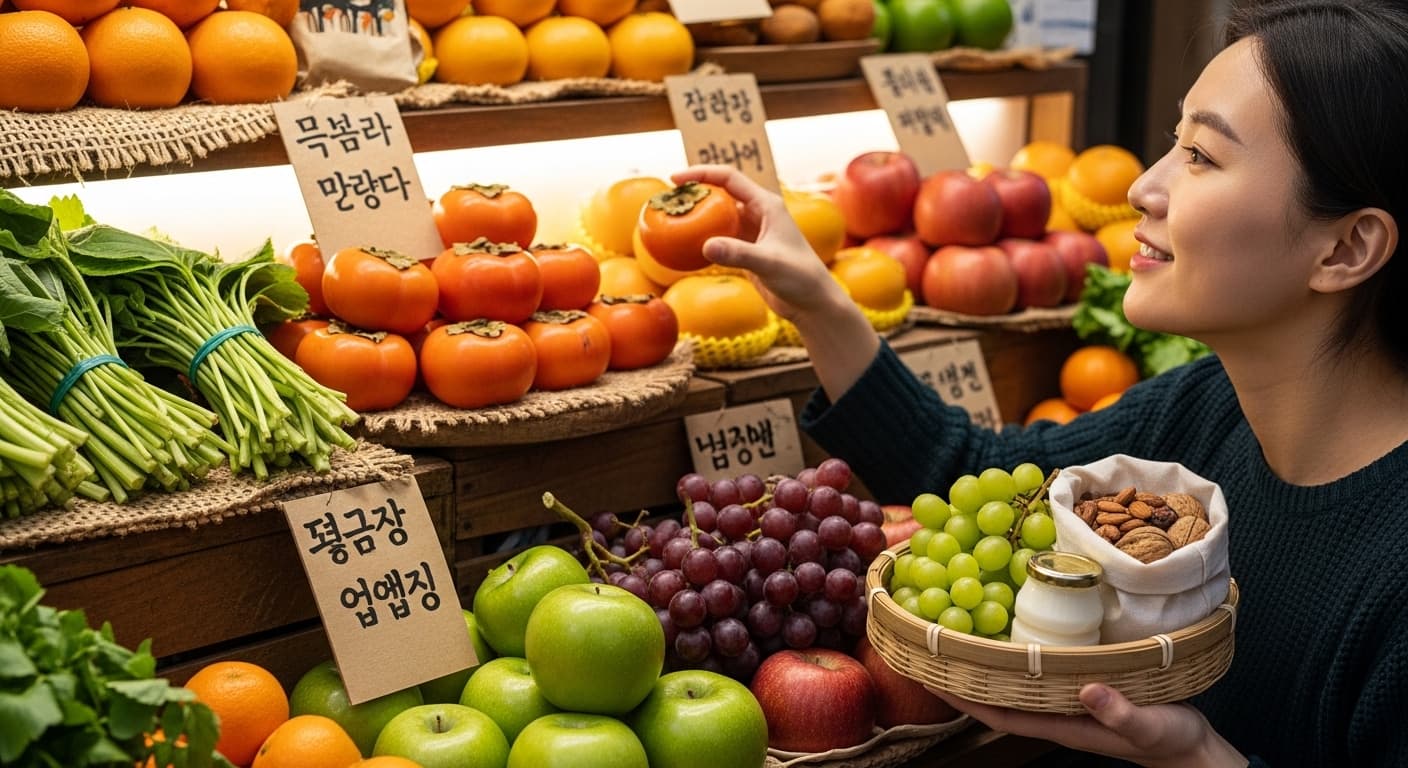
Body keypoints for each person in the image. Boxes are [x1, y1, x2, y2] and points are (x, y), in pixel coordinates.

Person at [672, 0, 1408, 764]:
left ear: (1347, 249)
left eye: (1202, 157)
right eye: (1173, 143)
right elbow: (976, 481)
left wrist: (1194, 757)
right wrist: (819, 304)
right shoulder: (1203, 409)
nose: (1143, 189)